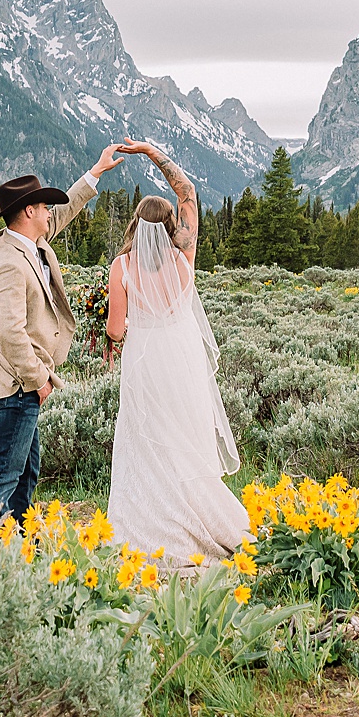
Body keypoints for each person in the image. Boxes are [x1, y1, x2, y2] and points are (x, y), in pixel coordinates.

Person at [104, 137, 249, 562]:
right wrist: (150, 151)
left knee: (148, 440)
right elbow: (187, 191)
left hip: (145, 361)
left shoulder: (122, 266)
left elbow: (115, 330)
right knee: (184, 438)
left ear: (135, 225)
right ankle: (204, 517)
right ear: (172, 227)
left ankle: (149, 524)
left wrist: (117, 331)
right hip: (182, 360)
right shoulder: (185, 256)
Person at [0, 145, 124, 533]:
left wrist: (96, 172)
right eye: (42, 207)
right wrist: (38, 379)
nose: (48, 213)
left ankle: (19, 547)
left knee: (25, 471)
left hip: (25, 378)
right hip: (17, 379)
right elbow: (9, 330)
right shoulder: (9, 259)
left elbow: (66, 208)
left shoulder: (32, 242)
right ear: (28, 212)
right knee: (5, 474)